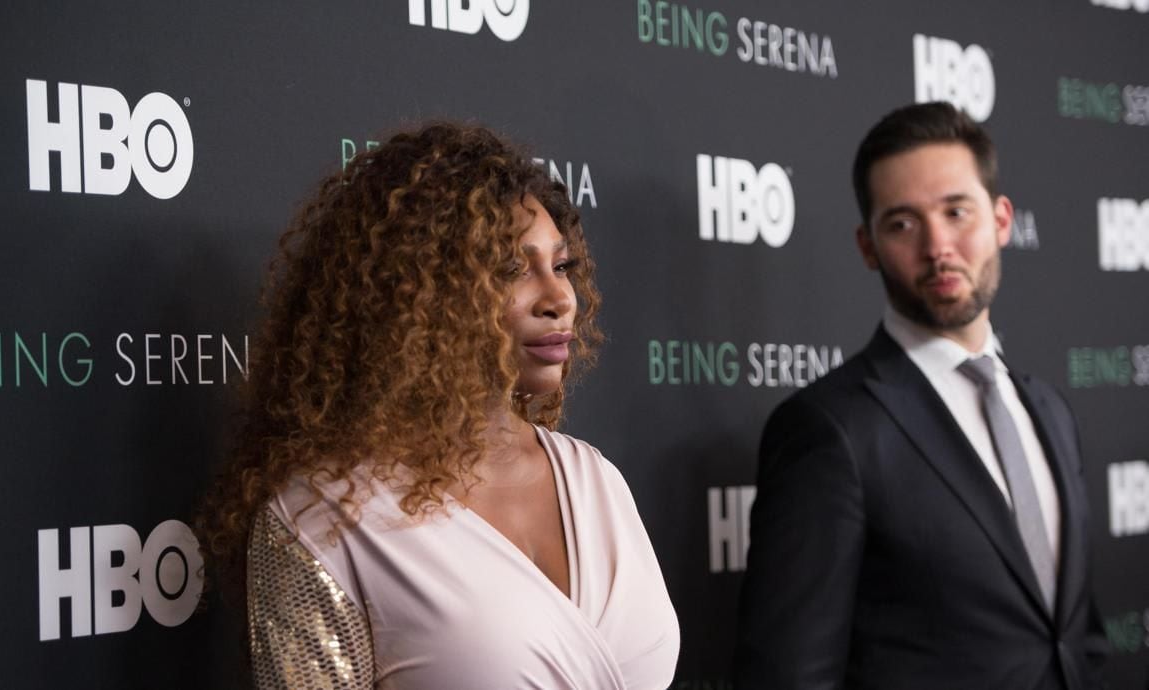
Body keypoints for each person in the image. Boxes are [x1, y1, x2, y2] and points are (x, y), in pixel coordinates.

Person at [198, 123, 679, 689]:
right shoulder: (323, 518)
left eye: (562, 265)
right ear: (417, 292)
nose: (559, 299)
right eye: (511, 269)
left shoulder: (596, 479)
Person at [733, 102, 1109, 689]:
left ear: (1002, 220)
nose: (938, 246)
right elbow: (787, 677)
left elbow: (1076, 641)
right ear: (868, 246)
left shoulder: (1050, 412)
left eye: (957, 211)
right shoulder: (829, 429)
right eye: (903, 223)